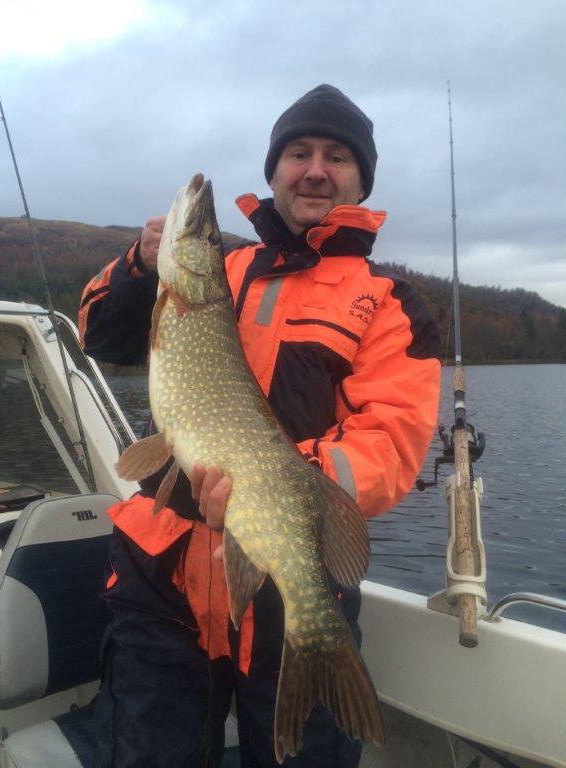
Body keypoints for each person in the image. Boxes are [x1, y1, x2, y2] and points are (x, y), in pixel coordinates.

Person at [76, 84, 441, 768]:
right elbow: (99, 334)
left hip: (284, 580)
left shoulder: (388, 303)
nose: (315, 168)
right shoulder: (220, 270)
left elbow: (388, 446)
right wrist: (137, 265)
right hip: (162, 579)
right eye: (298, 152)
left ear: (361, 179)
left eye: (336, 157)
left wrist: (272, 488)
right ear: (273, 171)